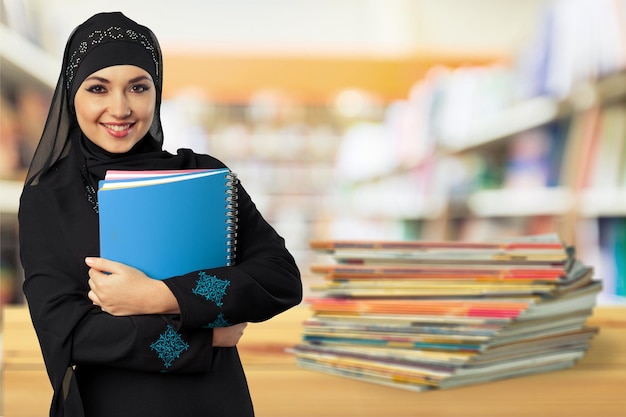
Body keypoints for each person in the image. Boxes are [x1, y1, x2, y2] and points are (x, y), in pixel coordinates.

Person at [18, 11, 302, 417]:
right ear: (71, 95)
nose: (120, 108)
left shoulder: (203, 175)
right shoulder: (50, 198)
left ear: (157, 91)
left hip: (212, 403)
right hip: (108, 404)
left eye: (138, 87)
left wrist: (158, 296)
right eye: (98, 88)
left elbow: (280, 278)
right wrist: (206, 338)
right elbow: (69, 331)